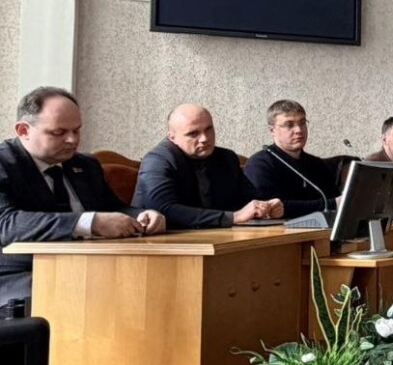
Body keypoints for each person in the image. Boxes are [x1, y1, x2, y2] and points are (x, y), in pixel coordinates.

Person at [0, 87, 166, 307]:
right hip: (20, 274)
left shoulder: (85, 165)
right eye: (59, 132)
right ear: (23, 130)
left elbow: (112, 209)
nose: (72, 140)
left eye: (77, 130)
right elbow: (6, 224)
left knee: (152, 287)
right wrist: (89, 223)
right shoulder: (4, 163)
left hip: (87, 267)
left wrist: (143, 215)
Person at [133, 104, 283, 229]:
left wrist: (267, 208)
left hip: (216, 238)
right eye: (193, 133)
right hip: (163, 243)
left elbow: (250, 200)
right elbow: (163, 209)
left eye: (208, 129)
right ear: (172, 137)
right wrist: (233, 217)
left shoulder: (226, 158)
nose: (205, 138)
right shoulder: (158, 160)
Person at [244, 100, 340, 217]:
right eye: (289, 125)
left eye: (302, 123)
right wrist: (332, 204)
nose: (299, 130)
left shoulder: (317, 164)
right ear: (272, 130)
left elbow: (338, 201)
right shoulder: (260, 164)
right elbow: (268, 209)